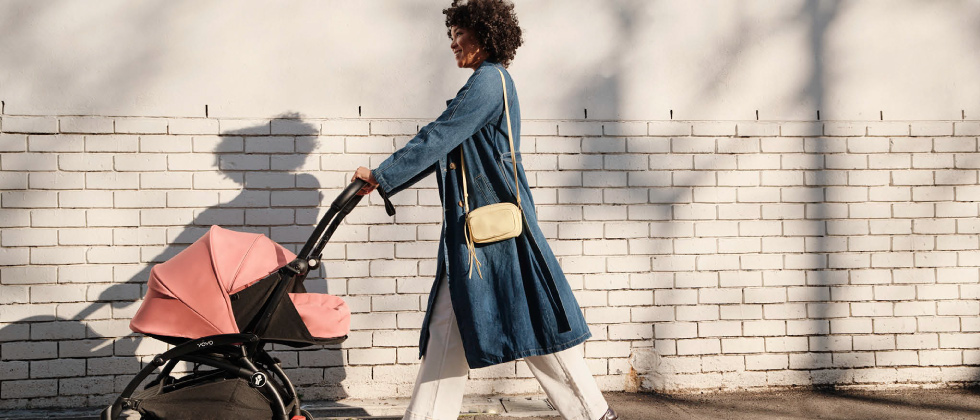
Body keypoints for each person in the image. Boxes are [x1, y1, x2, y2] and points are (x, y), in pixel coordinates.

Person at [351, 1, 617, 419]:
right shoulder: (486, 82)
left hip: (495, 230)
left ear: (485, 34)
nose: (453, 43)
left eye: (460, 33)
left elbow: (441, 134)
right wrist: (385, 180)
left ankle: (593, 413)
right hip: (476, 232)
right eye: (451, 35)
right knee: (447, 325)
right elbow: (445, 144)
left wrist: (383, 175)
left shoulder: (490, 81)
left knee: (538, 322)